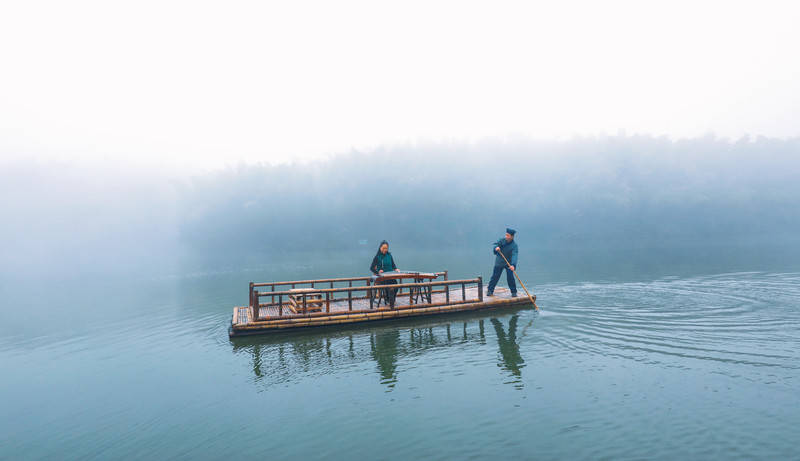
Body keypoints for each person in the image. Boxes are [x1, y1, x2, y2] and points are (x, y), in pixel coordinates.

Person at [487, 228, 518, 297]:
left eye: (508, 235)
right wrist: (496, 248)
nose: (506, 236)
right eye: (506, 235)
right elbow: (495, 245)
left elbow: (514, 255)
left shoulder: (514, 246)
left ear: (512, 237)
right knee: (495, 276)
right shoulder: (501, 240)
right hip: (499, 262)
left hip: (509, 263)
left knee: (510, 277)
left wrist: (513, 265)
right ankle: (490, 290)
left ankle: (514, 292)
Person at [370, 240, 399, 306]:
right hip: (382, 278)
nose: (385, 250)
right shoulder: (377, 257)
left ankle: (392, 300)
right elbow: (371, 268)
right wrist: (378, 272)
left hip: (391, 276)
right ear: (380, 248)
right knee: (388, 287)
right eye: (383, 248)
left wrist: (396, 269)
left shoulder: (389, 255)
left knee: (396, 286)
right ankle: (388, 300)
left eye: (386, 248)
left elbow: (393, 265)